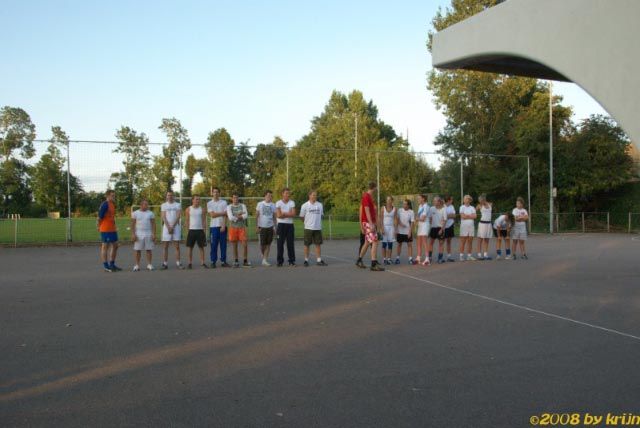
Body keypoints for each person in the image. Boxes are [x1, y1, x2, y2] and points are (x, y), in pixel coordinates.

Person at [356, 181, 384, 271]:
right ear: (374, 187)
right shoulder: (366, 196)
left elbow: (372, 212)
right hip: (368, 223)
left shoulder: (369, 197)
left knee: (367, 242)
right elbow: (366, 210)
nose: (377, 189)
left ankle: (359, 260)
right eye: (376, 187)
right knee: (375, 241)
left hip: (368, 222)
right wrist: (371, 223)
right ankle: (373, 264)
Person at [300, 190, 328, 267]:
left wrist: (317, 222)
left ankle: (319, 260)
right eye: (313, 195)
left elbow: (321, 215)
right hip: (308, 228)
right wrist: (307, 223)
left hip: (317, 228)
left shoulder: (320, 205)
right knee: (307, 244)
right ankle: (306, 260)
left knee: (318, 244)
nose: (314, 196)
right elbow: (302, 217)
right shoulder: (305, 205)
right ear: (309, 196)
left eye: (315, 195)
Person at [97, 189, 121, 272]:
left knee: (116, 245)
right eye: (112, 195)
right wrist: (98, 226)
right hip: (105, 229)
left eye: (114, 195)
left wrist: (115, 225)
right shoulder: (104, 204)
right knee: (105, 246)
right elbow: (99, 217)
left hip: (112, 229)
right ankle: (106, 266)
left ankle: (112, 264)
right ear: (107, 196)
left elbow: (112, 217)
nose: (114, 197)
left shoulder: (112, 204)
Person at [207, 187, 230, 268]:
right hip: (213, 227)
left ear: (219, 193)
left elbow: (226, 215)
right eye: (214, 192)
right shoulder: (209, 203)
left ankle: (223, 261)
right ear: (212, 193)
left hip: (222, 227)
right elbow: (212, 215)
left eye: (217, 192)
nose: (216, 193)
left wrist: (223, 225)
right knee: (214, 245)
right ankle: (213, 261)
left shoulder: (224, 202)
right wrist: (222, 213)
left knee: (223, 245)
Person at [161, 191, 184, 269]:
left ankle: (178, 263)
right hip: (166, 227)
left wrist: (173, 227)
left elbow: (178, 216)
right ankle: (165, 263)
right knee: (165, 246)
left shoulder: (178, 205)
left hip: (175, 227)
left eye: (171, 195)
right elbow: (163, 217)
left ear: (174, 196)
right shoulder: (163, 205)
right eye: (168, 195)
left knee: (177, 246)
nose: (170, 196)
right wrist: (168, 227)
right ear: (166, 196)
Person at [130, 199, 156, 271]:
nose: (147, 206)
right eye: (145, 204)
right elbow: (132, 224)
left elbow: (153, 224)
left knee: (149, 249)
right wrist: (133, 234)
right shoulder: (135, 213)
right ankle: (137, 265)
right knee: (137, 250)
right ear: (141, 205)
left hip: (148, 233)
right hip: (138, 233)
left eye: (147, 204)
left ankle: (149, 264)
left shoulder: (151, 213)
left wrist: (153, 234)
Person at [227, 193, 250, 268]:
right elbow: (230, 218)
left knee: (245, 244)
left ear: (238, 198)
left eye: (236, 198)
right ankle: (236, 261)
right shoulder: (229, 207)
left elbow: (246, 215)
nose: (235, 199)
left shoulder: (243, 206)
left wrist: (236, 216)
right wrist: (240, 215)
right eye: (234, 198)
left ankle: (245, 260)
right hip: (233, 228)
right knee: (234, 246)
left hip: (242, 228)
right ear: (232, 198)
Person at [185, 195, 208, 269]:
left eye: (199, 199)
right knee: (190, 248)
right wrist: (187, 232)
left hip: (200, 230)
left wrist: (204, 231)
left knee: (201, 247)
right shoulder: (188, 209)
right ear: (193, 200)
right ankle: (189, 263)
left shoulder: (202, 209)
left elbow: (204, 221)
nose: (198, 201)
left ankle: (202, 262)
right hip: (191, 231)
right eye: (196, 199)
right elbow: (187, 221)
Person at [276, 188, 296, 267]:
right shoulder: (278, 203)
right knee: (280, 244)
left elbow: (293, 214)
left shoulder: (292, 202)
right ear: (282, 194)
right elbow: (278, 215)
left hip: (290, 225)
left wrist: (284, 213)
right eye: (286, 193)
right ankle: (280, 261)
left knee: (290, 244)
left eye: (289, 193)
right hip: (281, 225)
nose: (288, 195)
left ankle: (291, 261)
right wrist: (288, 214)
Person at [256, 190, 277, 266]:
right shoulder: (260, 204)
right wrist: (257, 226)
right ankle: (263, 255)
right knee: (262, 245)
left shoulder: (273, 205)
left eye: (271, 196)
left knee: (268, 244)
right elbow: (257, 216)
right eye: (268, 195)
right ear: (265, 196)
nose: (269, 197)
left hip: (270, 227)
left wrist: (275, 227)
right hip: (262, 227)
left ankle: (264, 260)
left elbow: (274, 217)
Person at [428, 196, 447, 264]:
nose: (434, 202)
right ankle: (429, 257)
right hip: (433, 228)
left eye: (435, 201)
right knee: (431, 243)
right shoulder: (431, 208)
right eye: (434, 201)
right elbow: (430, 218)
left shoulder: (444, 209)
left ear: (439, 202)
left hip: (440, 228)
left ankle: (440, 258)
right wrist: (431, 226)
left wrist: (441, 229)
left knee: (441, 243)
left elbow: (445, 220)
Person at [395, 199, 415, 265]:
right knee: (399, 244)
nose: (404, 205)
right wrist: (399, 225)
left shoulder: (411, 212)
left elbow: (412, 223)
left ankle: (410, 259)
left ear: (408, 205)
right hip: (400, 231)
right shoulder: (400, 210)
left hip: (407, 231)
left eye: (405, 204)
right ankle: (397, 258)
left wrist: (410, 232)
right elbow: (397, 219)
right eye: (403, 204)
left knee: (409, 245)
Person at [459, 195, 477, 261]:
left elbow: (475, 216)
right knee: (463, 241)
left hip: (471, 226)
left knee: (470, 241)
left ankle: (469, 256)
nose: (466, 200)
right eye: (465, 199)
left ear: (469, 200)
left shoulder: (472, 207)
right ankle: (461, 256)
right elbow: (462, 216)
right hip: (464, 226)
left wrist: (467, 216)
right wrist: (470, 216)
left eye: (467, 199)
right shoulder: (462, 207)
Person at [381, 196, 397, 265]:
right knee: (384, 244)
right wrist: (382, 228)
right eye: (387, 200)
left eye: (390, 200)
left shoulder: (395, 209)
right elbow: (381, 219)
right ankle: (384, 259)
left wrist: (395, 230)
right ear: (386, 201)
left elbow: (395, 219)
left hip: (391, 228)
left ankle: (389, 259)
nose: (388, 201)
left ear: (392, 201)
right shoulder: (383, 208)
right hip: (384, 227)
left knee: (390, 244)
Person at [476, 194, 493, 261]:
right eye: (479, 201)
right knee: (480, 239)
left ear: (484, 199)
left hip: (488, 224)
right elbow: (474, 211)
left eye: (481, 200)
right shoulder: (479, 206)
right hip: (482, 224)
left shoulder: (490, 204)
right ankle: (479, 255)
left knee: (487, 239)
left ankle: (485, 255)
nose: (480, 202)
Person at [415, 194, 430, 266]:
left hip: (425, 225)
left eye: (419, 198)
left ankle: (427, 258)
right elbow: (418, 216)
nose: (418, 200)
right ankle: (418, 257)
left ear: (423, 199)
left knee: (424, 241)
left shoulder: (426, 206)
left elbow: (423, 218)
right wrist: (417, 220)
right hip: (420, 225)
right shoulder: (420, 206)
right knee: (419, 241)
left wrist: (416, 219)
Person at [443, 195, 456, 262]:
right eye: (451, 200)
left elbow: (454, 216)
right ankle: (441, 256)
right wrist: (448, 215)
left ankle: (449, 256)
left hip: (450, 225)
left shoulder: (452, 206)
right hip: (444, 226)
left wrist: (447, 216)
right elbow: (443, 216)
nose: (452, 201)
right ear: (448, 200)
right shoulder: (443, 206)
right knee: (442, 241)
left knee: (449, 241)